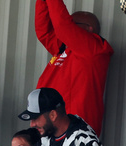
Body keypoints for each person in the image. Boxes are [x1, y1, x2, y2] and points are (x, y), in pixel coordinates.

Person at [33, 1, 113, 136]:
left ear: (89, 28)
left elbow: (62, 26)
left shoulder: (94, 48)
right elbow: (44, 32)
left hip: (74, 130)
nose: (69, 29)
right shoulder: (65, 48)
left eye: (73, 24)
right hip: (52, 125)